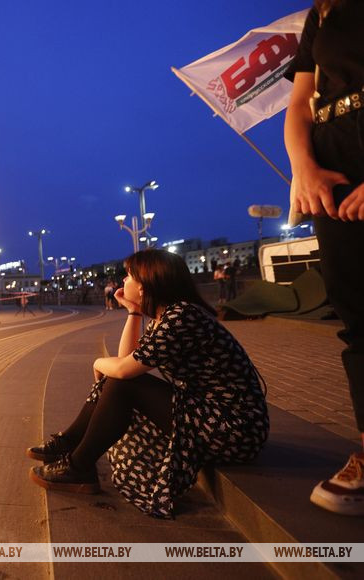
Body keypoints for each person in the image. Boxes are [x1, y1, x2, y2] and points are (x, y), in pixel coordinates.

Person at [26, 249, 269, 518]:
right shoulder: (166, 318)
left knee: (122, 382)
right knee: (120, 379)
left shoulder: (182, 316)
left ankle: (78, 465)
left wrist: (97, 362)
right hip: (207, 413)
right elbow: (126, 361)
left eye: (129, 276)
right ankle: (71, 446)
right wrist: (133, 312)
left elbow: (123, 370)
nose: (123, 281)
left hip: (234, 429)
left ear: (145, 285)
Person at [284, 0, 364, 515]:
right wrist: (304, 167)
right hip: (333, 165)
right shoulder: (324, 12)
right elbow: (300, 103)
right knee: (356, 311)